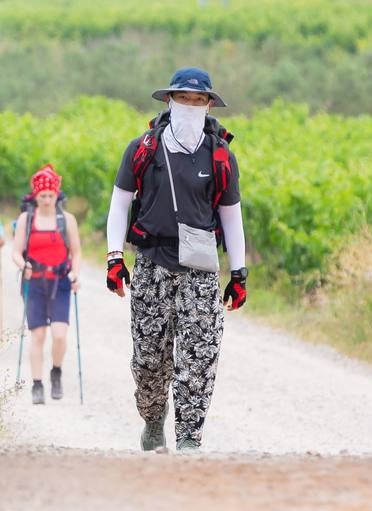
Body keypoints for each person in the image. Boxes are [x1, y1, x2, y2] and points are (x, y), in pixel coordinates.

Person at [106, 67, 247, 452]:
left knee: (199, 354)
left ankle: (189, 438)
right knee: (149, 356)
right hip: (152, 263)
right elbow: (120, 203)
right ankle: (153, 419)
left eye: (198, 100)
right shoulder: (142, 149)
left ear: (208, 104)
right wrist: (114, 257)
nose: (190, 105)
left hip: (201, 269)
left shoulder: (219, 155)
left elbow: (232, 215)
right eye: (183, 98)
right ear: (169, 100)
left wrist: (239, 273)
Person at [12, 164, 81, 404]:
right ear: (35, 196)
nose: (47, 200)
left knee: (60, 335)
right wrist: (24, 266)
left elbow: (77, 253)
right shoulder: (26, 219)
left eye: (51, 195)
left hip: (61, 281)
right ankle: (37, 384)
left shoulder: (67, 220)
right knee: (38, 334)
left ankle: (56, 371)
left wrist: (75, 274)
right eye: (43, 195)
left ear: (56, 194)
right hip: (34, 284)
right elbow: (16, 252)